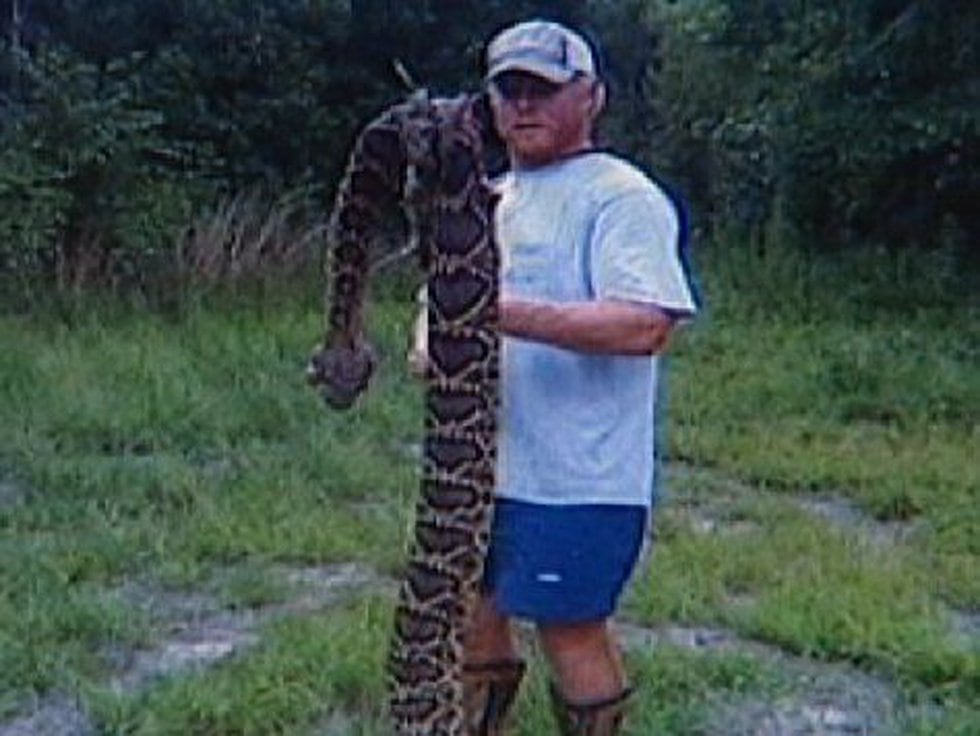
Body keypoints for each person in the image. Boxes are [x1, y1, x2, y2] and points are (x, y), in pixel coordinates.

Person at [410, 19, 698, 735]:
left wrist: (495, 313)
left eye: (542, 88)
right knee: (471, 619)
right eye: (509, 89)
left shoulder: (620, 198)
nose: (523, 105)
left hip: (579, 478)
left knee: (569, 631)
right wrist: (431, 339)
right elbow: (433, 301)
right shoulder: (486, 198)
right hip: (479, 475)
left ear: (591, 97)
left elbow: (645, 326)